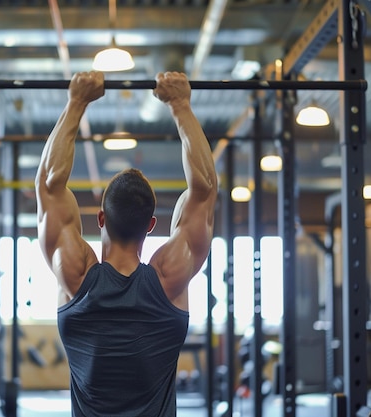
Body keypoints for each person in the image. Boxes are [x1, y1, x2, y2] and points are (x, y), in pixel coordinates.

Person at [35, 71, 218, 417]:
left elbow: (48, 184)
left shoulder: (76, 276)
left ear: (101, 219)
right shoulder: (169, 278)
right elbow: (205, 187)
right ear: (151, 225)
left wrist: (77, 101)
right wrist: (180, 104)